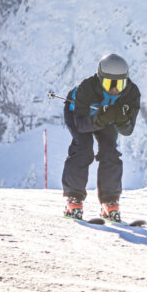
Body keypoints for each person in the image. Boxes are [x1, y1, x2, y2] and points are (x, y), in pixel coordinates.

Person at [61, 54, 141, 222]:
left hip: (106, 118)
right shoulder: (86, 88)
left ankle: (110, 201)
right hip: (77, 113)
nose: (114, 89)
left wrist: (120, 118)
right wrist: (101, 118)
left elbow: (128, 130)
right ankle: (73, 199)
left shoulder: (131, 93)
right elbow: (81, 125)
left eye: (119, 84)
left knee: (110, 152)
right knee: (83, 149)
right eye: (109, 84)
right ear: (100, 79)